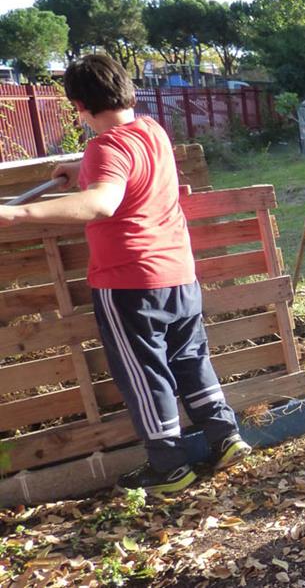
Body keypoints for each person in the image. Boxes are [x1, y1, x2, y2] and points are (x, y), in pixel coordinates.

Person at [0, 54, 250, 495]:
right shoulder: (152, 131)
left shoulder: (105, 147)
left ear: (79, 104)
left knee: (144, 373)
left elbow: (102, 203)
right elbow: (130, 174)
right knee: (191, 360)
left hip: (131, 282)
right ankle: (226, 439)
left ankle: (169, 468)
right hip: (179, 273)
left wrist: (18, 214)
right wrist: (82, 171)